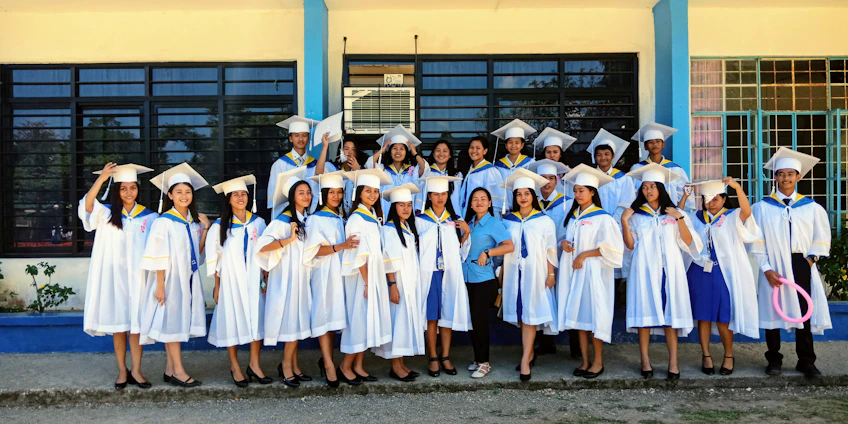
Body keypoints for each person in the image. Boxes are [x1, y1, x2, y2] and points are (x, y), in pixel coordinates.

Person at [751, 147, 832, 379]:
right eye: (781, 173)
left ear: (799, 176)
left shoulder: (812, 208)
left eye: (790, 174)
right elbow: (757, 242)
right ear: (774, 177)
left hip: (800, 262)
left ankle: (806, 361)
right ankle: (774, 359)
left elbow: (821, 238)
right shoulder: (762, 208)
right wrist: (766, 269)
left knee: (803, 311)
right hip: (772, 263)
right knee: (772, 310)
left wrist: (809, 259)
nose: (785, 178)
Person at [80, 163, 157, 389]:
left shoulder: (149, 217)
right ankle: (122, 371)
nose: (129, 192)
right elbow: (86, 205)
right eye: (123, 188)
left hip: (139, 279)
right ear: (117, 191)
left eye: (133, 188)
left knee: (137, 325)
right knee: (119, 325)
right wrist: (102, 178)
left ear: (138, 190)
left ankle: (137, 370)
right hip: (115, 279)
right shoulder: (105, 214)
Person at [622, 163, 702, 380]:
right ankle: (645, 361)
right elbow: (629, 245)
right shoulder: (637, 216)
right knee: (644, 316)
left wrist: (679, 218)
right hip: (644, 271)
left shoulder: (674, 213)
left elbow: (689, 243)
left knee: (670, 318)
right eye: (645, 187)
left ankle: (673, 362)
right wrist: (624, 220)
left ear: (661, 188)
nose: (648, 191)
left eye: (652, 186)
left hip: (669, 272)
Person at [679, 178, 760, 376]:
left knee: (724, 317)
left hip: (724, 273)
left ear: (724, 199)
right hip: (700, 271)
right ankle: (706, 356)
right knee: (703, 316)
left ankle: (728, 355)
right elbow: (678, 218)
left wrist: (738, 188)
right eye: (707, 199)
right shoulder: (697, 217)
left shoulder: (732, 216)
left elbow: (747, 213)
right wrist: (684, 197)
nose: (711, 203)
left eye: (716, 198)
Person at [139, 163, 211, 388]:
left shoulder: (192, 222)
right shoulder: (164, 222)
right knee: (172, 324)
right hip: (169, 280)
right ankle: (179, 371)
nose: (184, 196)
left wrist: (206, 229)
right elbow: (157, 255)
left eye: (187, 192)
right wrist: (160, 285)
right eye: (178, 192)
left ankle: (170, 370)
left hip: (187, 279)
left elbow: (197, 253)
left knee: (176, 322)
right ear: (169, 195)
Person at [557, 165, 623, 379]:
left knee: (595, 318)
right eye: (575, 191)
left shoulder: (603, 218)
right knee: (579, 319)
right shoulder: (573, 217)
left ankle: (598, 362)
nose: (577, 195)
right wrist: (564, 243)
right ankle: (585, 362)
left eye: (581, 191)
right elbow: (564, 239)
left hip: (594, 275)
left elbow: (613, 249)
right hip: (575, 274)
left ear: (593, 192)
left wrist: (584, 255)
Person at [205, 175, 271, 387]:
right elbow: (216, 259)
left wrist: (266, 278)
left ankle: (254, 364)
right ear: (228, 199)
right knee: (231, 320)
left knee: (256, 319)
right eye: (235, 195)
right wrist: (217, 286)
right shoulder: (219, 226)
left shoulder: (259, 223)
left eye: (243, 194)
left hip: (254, 279)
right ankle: (234, 365)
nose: (240, 197)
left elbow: (266, 252)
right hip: (230, 281)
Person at [255, 167, 313, 388]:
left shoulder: (303, 218)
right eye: (301, 193)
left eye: (308, 192)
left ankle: (295, 365)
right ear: (291, 197)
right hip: (286, 279)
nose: (306, 196)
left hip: (300, 277)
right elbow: (262, 247)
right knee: (290, 323)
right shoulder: (283, 220)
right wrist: (288, 240)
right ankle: (286, 366)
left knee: (297, 322)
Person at [500, 168, 558, 382]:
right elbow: (505, 247)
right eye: (518, 194)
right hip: (514, 273)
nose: (522, 198)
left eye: (526, 193)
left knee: (531, 315)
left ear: (533, 195)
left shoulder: (544, 221)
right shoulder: (508, 221)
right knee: (522, 314)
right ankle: (529, 352)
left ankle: (525, 359)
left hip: (536, 272)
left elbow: (551, 249)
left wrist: (551, 274)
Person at [302, 170, 358, 387]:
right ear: (323, 194)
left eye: (338, 192)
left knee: (337, 317)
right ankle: (327, 363)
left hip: (341, 274)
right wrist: (340, 246)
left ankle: (332, 361)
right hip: (324, 273)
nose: (335, 196)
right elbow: (312, 251)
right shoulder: (316, 219)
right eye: (331, 192)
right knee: (325, 317)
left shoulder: (341, 216)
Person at [338, 169, 394, 385]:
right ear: (359, 193)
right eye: (368, 191)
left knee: (367, 320)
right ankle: (345, 365)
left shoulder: (372, 217)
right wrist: (367, 281)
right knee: (359, 320)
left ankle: (359, 366)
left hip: (373, 276)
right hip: (362, 278)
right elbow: (356, 252)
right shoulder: (356, 218)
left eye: (376, 191)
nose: (372, 194)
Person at [416, 175, 471, 378]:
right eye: (435, 194)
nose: (440, 198)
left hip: (449, 274)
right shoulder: (420, 220)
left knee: (447, 317)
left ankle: (445, 356)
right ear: (429, 196)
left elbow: (461, 253)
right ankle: (432, 357)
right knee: (431, 317)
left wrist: (466, 233)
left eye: (443, 194)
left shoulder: (454, 221)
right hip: (429, 274)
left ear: (448, 195)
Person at [373, 183, 426, 382]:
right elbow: (388, 259)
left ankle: (401, 362)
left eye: (408, 205)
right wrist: (392, 285)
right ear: (393, 207)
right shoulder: (389, 229)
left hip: (410, 282)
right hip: (399, 283)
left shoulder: (407, 228)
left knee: (405, 322)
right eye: (401, 205)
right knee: (398, 322)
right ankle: (395, 366)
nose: (405, 208)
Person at [462, 187, 515, 379]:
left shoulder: (493, 224)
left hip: (484, 279)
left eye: (483, 199)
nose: (479, 202)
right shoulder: (469, 223)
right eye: (475, 199)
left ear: (490, 203)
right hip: (467, 277)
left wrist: (488, 253)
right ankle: (477, 359)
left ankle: (484, 363)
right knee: (473, 321)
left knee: (480, 322)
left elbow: (509, 246)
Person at [526, 158, 577, 358]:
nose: (547, 182)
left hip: (563, 257)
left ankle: (575, 345)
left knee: (566, 296)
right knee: (542, 298)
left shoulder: (568, 202)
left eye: (550, 178)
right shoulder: (531, 202)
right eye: (543, 178)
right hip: (540, 260)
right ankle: (546, 343)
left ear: (557, 181)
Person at [267, 115, 332, 209]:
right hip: (288, 213)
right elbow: (275, 195)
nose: (300, 139)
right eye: (296, 135)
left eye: (304, 135)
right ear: (290, 138)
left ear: (308, 139)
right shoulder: (280, 164)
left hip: (311, 212)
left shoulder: (315, 164)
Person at [365, 124, 427, 216]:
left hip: (407, 212)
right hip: (387, 212)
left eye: (402, 149)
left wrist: (414, 153)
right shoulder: (383, 170)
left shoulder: (412, 170)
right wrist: (382, 150)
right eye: (394, 148)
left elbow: (424, 167)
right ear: (390, 151)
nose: (398, 151)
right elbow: (369, 164)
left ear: (406, 152)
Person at [629, 123, 693, 210]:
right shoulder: (637, 168)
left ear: (663, 144)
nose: (654, 144)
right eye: (651, 142)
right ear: (645, 147)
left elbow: (685, 197)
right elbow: (631, 194)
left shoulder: (675, 169)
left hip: (669, 214)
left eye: (658, 141)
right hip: (644, 213)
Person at [456, 136, 506, 218]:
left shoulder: (490, 170)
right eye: (471, 147)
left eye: (478, 148)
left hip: (483, 216)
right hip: (468, 214)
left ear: (485, 151)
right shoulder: (470, 170)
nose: (474, 151)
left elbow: (495, 200)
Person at [493, 119, 537, 210]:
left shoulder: (530, 163)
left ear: (522, 145)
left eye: (517, 142)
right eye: (510, 142)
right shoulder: (497, 166)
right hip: (504, 207)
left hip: (524, 206)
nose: (513, 146)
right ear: (505, 145)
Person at [421, 139, 463, 212]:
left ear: (449, 155)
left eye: (445, 151)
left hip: (453, 215)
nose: (441, 154)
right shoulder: (427, 173)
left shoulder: (457, 175)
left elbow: (460, 198)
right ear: (433, 154)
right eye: (438, 150)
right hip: (431, 215)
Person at [532, 127, 576, 193]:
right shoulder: (537, 172)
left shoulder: (569, 173)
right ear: (544, 154)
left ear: (560, 154)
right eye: (548, 152)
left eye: (555, 152)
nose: (552, 155)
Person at [330, 140, 361, 213]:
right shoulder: (333, 169)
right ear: (340, 151)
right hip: (336, 211)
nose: (350, 152)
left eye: (353, 149)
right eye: (346, 149)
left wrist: (358, 171)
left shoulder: (362, 170)